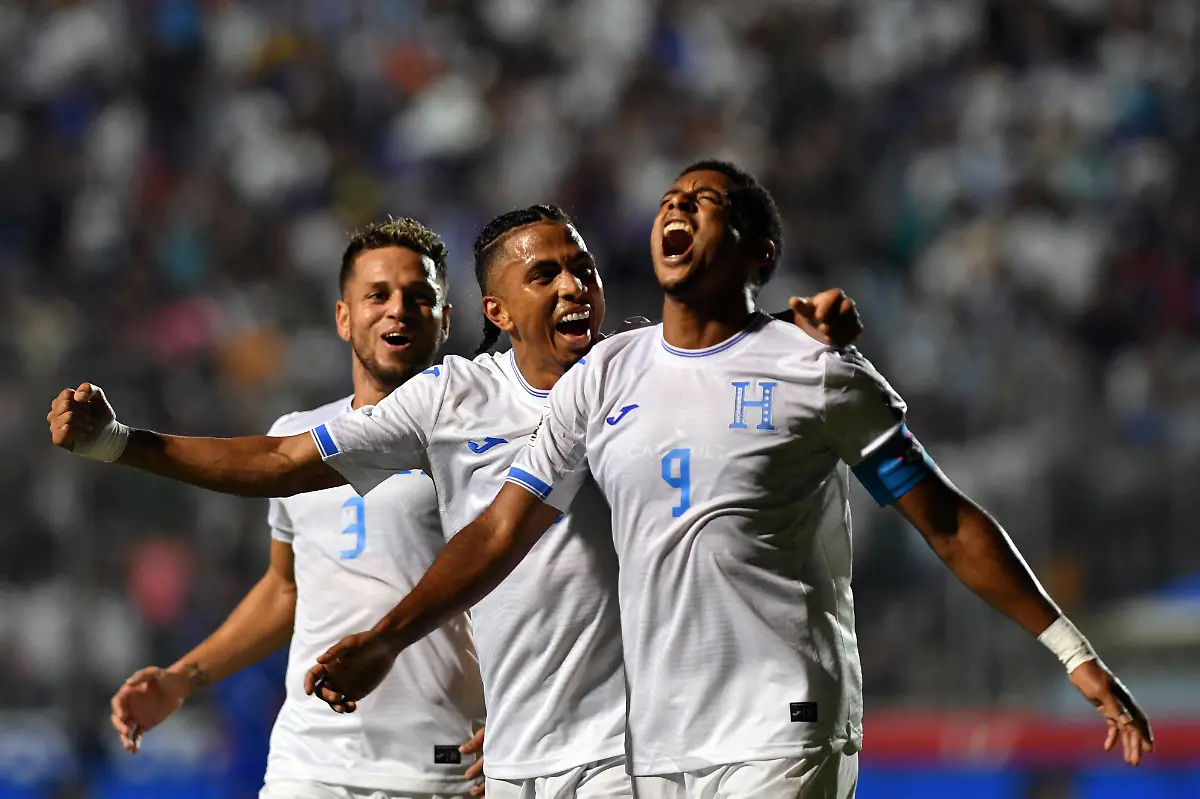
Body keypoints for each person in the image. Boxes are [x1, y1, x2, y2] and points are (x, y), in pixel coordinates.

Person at [301, 162, 1155, 799]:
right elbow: (497, 533)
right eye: (672, 199)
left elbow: (946, 520)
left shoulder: (816, 369)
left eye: (705, 202)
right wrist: (386, 639)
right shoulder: (610, 373)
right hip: (661, 748)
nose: (678, 207)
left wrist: (1070, 649)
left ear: (760, 252)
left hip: (786, 727)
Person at [47, 203, 863, 798]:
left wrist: (797, 335)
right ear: (498, 313)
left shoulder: (637, 379)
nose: (574, 283)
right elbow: (281, 483)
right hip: (439, 758)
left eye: (583, 267)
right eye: (544, 273)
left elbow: (724, 359)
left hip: (600, 750)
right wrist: (119, 443)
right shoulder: (447, 402)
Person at [101, 219, 488, 799]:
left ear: (446, 321)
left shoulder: (482, 442)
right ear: (342, 317)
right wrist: (182, 679)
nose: (398, 309)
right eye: (377, 294)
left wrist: (520, 719)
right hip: (308, 764)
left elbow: (536, 590)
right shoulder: (296, 434)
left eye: (420, 297)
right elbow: (286, 588)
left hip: (441, 767)